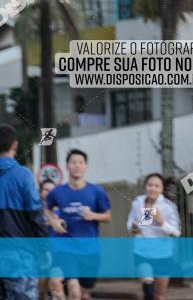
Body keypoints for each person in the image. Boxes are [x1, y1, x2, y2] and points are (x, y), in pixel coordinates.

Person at [45, 149, 111, 300]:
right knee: (74, 291)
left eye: (80, 163)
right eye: (73, 162)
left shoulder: (96, 191)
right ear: (67, 166)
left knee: (85, 293)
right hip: (67, 249)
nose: (77, 166)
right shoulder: (58, 192)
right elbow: (46, 210)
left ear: (85, 166)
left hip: (90, 250)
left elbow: (108, 216)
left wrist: (93, 215)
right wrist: (53, 221)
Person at [0, 124, 47, 300]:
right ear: (15, 145)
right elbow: (36, 217)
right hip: (20, 255)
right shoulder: (23, 175)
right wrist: (43, 251)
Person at [126, 173, 181, 300]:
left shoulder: (168, 207)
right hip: (142, 251)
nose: (153, 188)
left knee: (159, 296)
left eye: (157, 186)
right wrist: (132, 227)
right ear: (145, 186)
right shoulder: (137, 203)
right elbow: (130, 220)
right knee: (148, 290)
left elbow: (176, 232)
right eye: (150, 185)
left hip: (163, 254)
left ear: (161, 189)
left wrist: (161, 222)